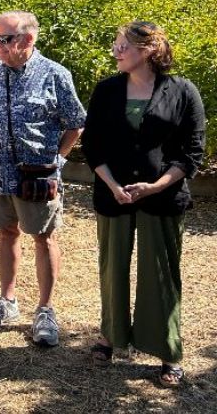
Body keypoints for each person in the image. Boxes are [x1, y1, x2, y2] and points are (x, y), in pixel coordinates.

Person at [81, 21, 205, 387]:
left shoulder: (183, 91)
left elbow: (191, 152)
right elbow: (93, 146)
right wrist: (114, 184)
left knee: (161, 274)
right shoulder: (106, 90)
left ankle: (167, 350)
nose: (116, 52)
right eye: (116, 45)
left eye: (124, 46)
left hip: (163, 199)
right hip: (112, 195)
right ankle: (111, 337)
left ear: (149, 50)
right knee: (112, 269)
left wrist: (155, 186)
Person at [0, 10, 86, 347]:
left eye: (5, 40)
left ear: (28, 39)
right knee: (6, 233)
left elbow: (76, 121)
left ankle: (45, 310)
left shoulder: (54, 75)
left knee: (43, 237)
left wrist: (58, 161)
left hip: (37, 176)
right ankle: (7, 301)